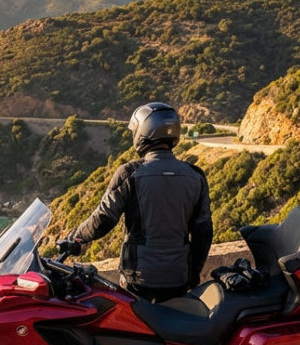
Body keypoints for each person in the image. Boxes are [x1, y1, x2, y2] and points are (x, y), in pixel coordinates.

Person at [58, 102, 212, 303]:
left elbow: (104, 218)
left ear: (143, 131)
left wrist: (75, 237)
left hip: (139, 279)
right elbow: (204, 232)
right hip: (178, 278)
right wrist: (193, 273)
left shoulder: (130, 173)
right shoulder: (196, 175)